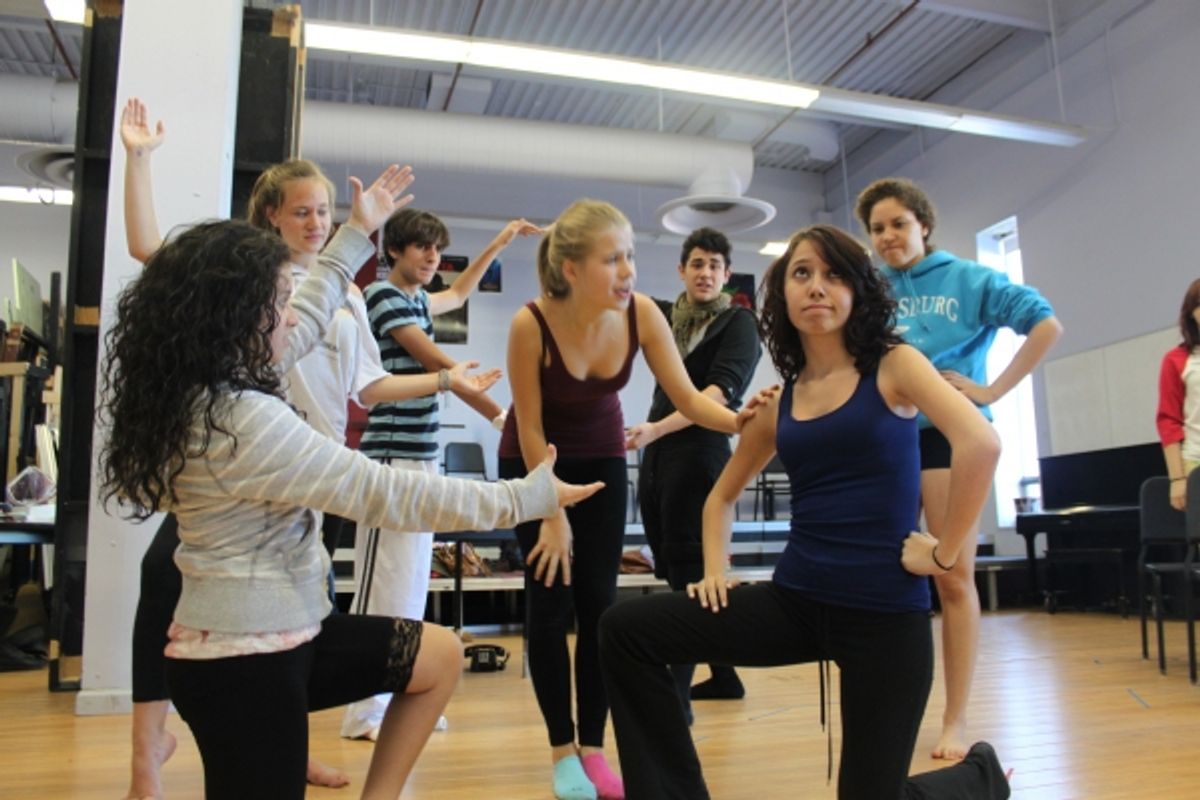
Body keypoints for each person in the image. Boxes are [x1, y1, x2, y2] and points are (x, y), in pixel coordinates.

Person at [99, 168, 604, 799]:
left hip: (290, 634)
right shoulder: (243, 420)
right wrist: (525, 496)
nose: (291, 315)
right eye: (277, 303)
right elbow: (387, 493)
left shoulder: (222, 376)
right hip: (244, 664)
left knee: (438, 655)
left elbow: (310, 315)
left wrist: (357, 231)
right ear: (240, 319)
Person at [118, 98, 501, 798]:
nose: (317, 221)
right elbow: (153, 253)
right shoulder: (239, 288)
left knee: (301, 625)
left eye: (325, 211)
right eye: (304, 211)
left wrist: (448, 377)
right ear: (270, 216)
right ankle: (150, 756)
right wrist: (140, 161)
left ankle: (280, 750)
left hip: (305, 478)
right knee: (170, 584)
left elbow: (364, 375)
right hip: (245, 468)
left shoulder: (339, 295)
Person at [598, 224, 1009, 800]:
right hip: (796, 602)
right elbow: (720, 496)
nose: (818, 287)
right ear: (782, 297)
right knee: (625, 630)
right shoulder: (780, 402)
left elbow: (980, 444)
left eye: (835, 274)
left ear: (858, 292)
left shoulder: (896, 365)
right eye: (802, 274)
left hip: (884, 618)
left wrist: (943, 553)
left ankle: (978, 779)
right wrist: (716, 571)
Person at [498, 199, 748, 800]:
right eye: (613, 259)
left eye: (630, 255)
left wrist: (744, 424)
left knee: (601, 609)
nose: (629, 270)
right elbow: (530, 428)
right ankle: (561, 750)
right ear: (571, 269)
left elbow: (688, 398)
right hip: (534, 465)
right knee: (550, 604)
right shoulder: (529, 323)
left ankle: (594, 747)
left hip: (605, 460)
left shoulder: (641, 314)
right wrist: (550, 510)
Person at [855, 177, 1062, 760]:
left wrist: (991, 388)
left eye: (898, 223)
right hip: (886, 440)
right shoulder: (871, 289)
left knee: (951, 576)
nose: (888, 236)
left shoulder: (969, 279)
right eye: (877, 229)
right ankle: (889, 710)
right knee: (887, 578)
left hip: (948, 437)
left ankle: (956, 717)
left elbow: (1045, 323)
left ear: (923, 224)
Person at [342, 208, 541, 741]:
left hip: (420, 458)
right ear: (395, 252)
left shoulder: (418, 299)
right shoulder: (383, 296)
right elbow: (436, 366)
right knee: (381, 588)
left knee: (410, 588)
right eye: (421, 248)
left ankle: (397, 703)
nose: (432, 257)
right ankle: (363, 710)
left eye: (437, 249)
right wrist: (501, 416)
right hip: (389, 460)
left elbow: (458, 293)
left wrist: (499, 238)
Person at [624, 226, 760, 719]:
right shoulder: (663, 317)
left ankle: (674, 700)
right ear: (682, 270)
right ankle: (725, 676)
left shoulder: (739, 323)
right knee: (677, 566)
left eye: (715, 266)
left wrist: (656, 430)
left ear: (726, 276)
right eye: (697, 263)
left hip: (700, 452)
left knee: (691, 574)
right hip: (659, 454)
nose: (705, 273)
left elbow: (716, 396)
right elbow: (621, 291)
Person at [1156, 278, 1200, 510]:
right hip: (1196, 462)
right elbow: (1168, 421)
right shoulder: (1176, 360)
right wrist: (1178, 479)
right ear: (1191, 313)